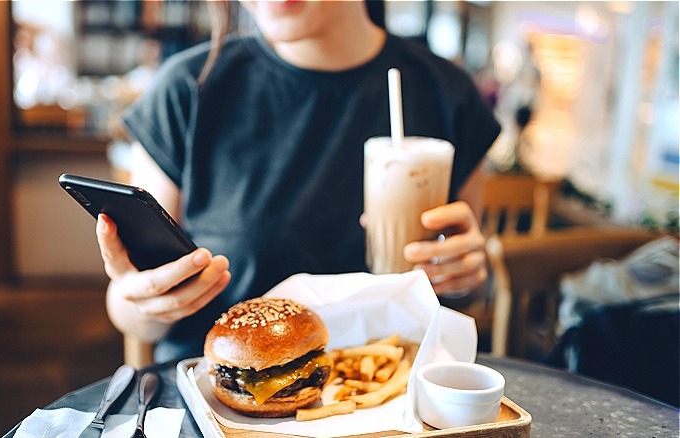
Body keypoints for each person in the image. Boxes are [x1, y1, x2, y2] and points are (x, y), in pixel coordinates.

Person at [96, 0, 501, 361]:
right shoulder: (188, 90)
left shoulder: (448, 96)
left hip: (395, 393)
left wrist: (466, 277)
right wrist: (142, 302)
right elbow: (134, 314)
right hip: (219, 401)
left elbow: (456, 294)